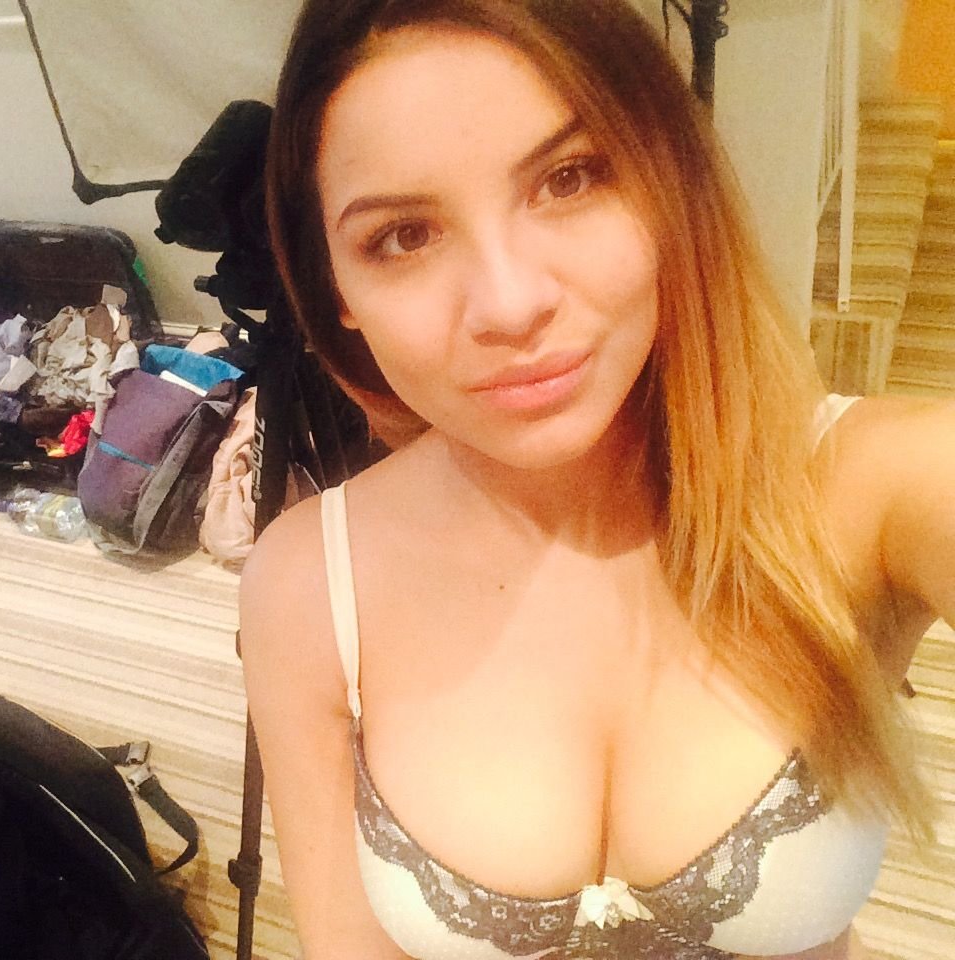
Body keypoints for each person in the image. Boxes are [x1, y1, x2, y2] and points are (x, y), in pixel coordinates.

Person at [238, 1, 952, 958]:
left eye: (567, 179)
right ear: (336, 292)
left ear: (668, 181)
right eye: (404, 236)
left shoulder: (878, 485)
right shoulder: (307, 587)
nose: (509, 303)